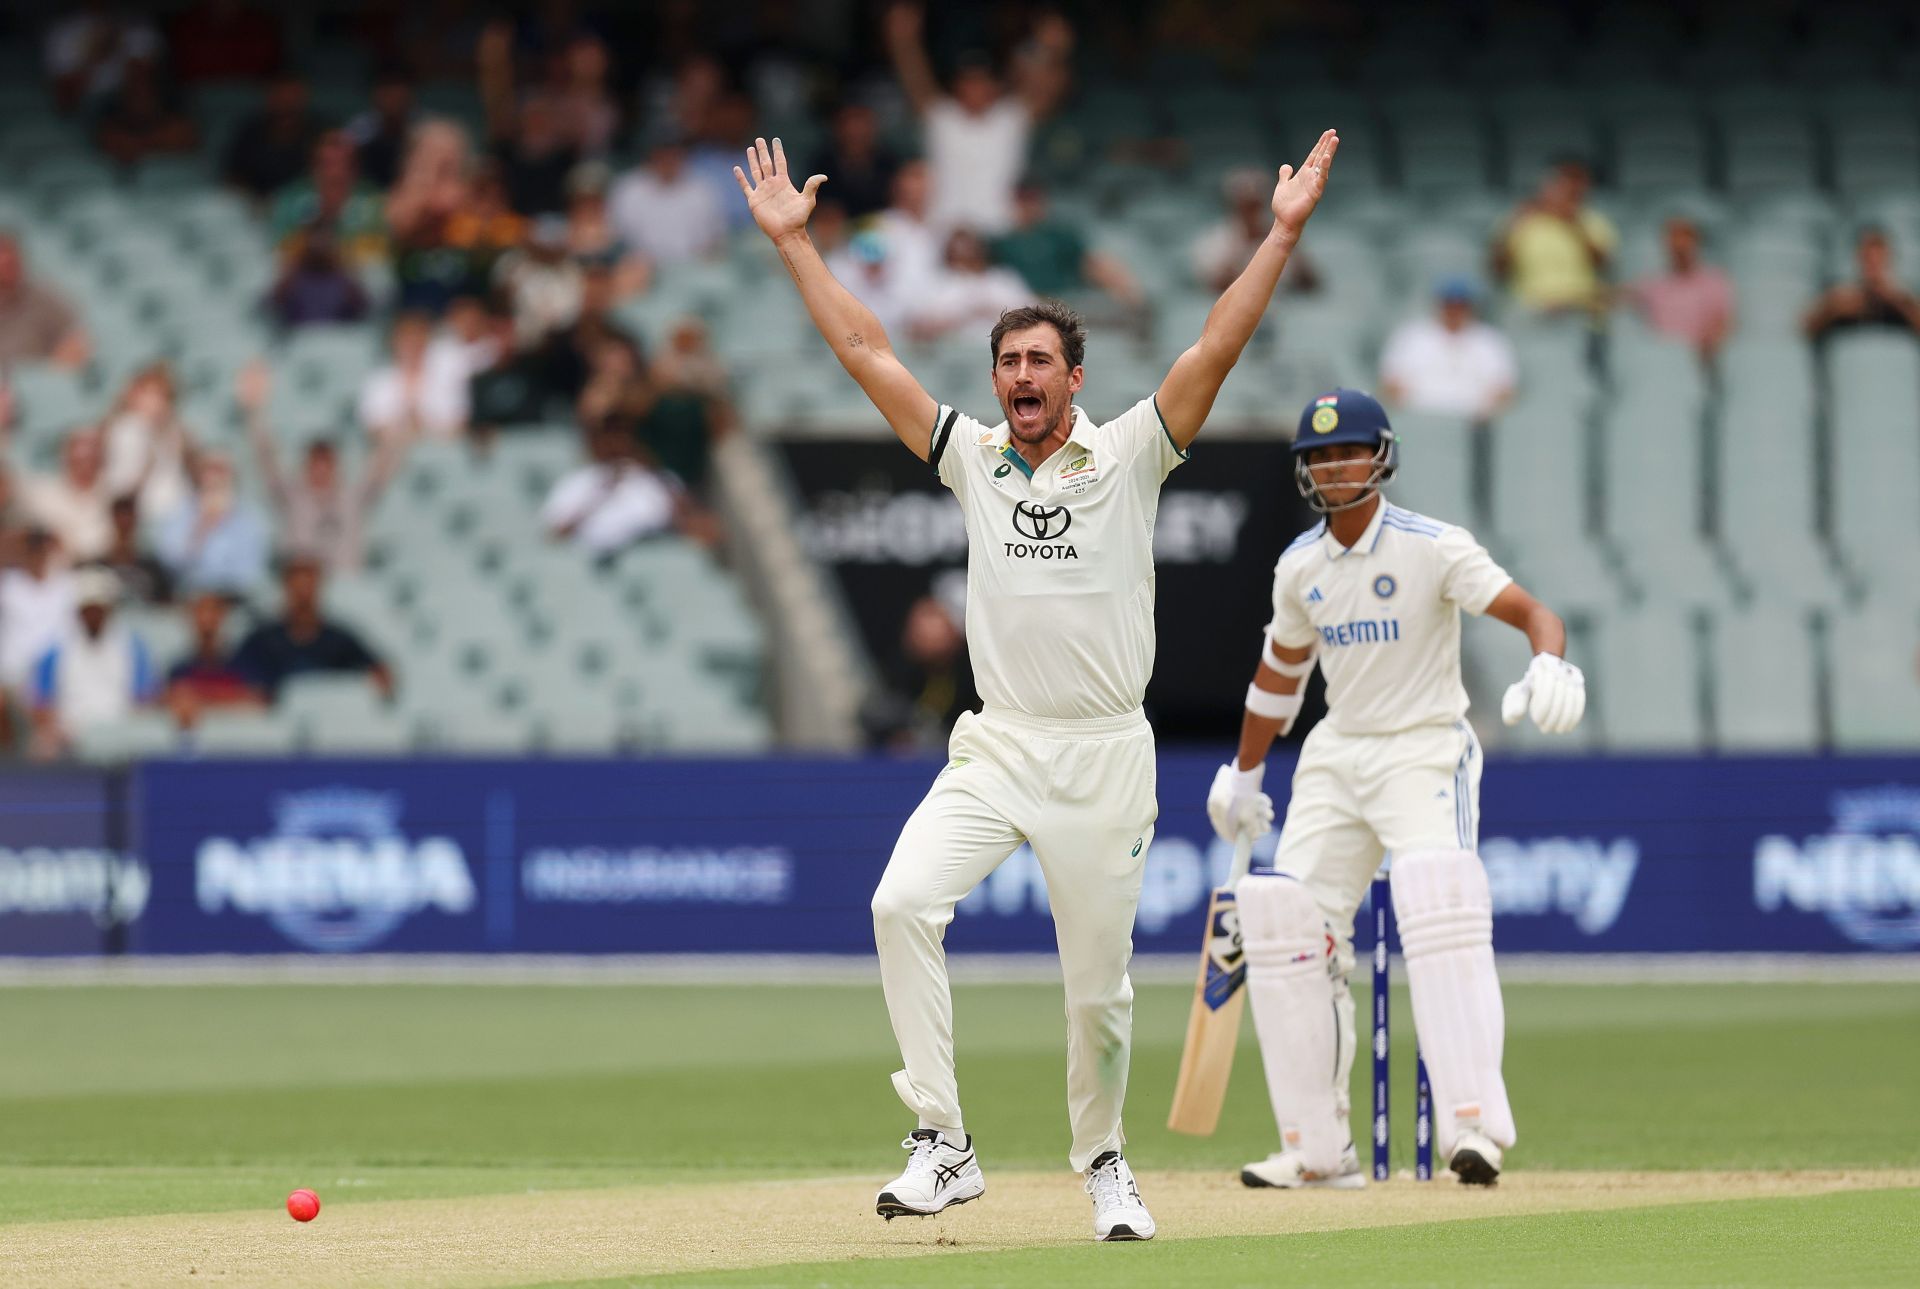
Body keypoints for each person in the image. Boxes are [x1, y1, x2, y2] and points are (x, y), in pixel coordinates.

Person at [735, 127, 1341, 1241]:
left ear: (1073, 378)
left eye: (1038, 363)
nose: (1019, 378)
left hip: (1106, 752)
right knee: (899, 901)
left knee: (1097, 996)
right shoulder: (969, 456)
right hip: (999, 743)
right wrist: (794, 246)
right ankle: (944, 1141)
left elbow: (1214, 344)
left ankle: (1104, 1161)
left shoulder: (1131, 455)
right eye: (1007, 363)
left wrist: (1281, 232)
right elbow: (868, 351)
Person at [1205, 388, 1584, 1193]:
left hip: (1425, 745)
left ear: (1380, 456)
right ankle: (1315, 1146)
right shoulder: (1300, 566)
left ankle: (1475, 1126)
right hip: (1339, 752)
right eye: (1319, 455)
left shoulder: (1432, 546)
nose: (1334, 465)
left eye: (1348, 450)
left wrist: (1549, 661)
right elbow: (1280, 674)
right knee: (1281, 919)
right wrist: (1243, 771)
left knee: (1435, 896)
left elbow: (1533, 613)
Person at [884, 3, 1072, 236]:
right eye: (968, 81)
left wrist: (1052, 51)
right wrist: (904, 40)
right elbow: (914, 79)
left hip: (1000, 230)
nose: (975, 88)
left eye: (982, 81)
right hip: (944, 231)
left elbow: (1045, 92)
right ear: (956, 85)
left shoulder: (1009, 118)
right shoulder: (942, 117)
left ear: (994, 86)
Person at [241, 362, 404, 573]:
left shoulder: (353, 498)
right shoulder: (292, 498)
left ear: (337, 468)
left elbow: (383, 466)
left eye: (326, 466)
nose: (321, 473)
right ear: (304, 467)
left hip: (347, 584)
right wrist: (255, 412)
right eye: (315, 466)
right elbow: (265, 460)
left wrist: (399, 413)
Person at [27, 567, 157, 759]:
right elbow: (41, 702)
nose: (93, 616)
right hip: (70, 734)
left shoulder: (133, 647)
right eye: (88, 610)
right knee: (41, 747)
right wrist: (56, 728)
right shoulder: (56, 649)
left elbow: (146, 698)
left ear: (109, 609)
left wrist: (125, 729)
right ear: (78, 611)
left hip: (122, 731)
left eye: (98, 610)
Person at [231, 556, 392, 702]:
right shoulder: (261, 640)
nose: (303, 595)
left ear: (319, 588)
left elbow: (380, 672)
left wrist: (379, 677)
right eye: (297, 587)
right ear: (285, 588)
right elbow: (232, 680)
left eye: (309, 586)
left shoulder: (340, 640)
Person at [991, 180, 1144, 314]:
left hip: (1063, 302)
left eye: (1032, 200)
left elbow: (1093, 264)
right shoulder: (1002, 243)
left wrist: (1127, 293)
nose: (1027, 207)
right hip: (1019, 305)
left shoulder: (1060, 236)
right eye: (1022, 201)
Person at [1379, 278, 1517, 422]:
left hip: (1473, 425)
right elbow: (1390, 386)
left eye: (1461, 305)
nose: (1454, 311)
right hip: (1419, 421)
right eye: (1449, 304)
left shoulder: (1492, 341)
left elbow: (1505, 391)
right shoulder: (1409, 337)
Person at [1492, 157, 1617, 315]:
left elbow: (1603, 266)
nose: (1565, 190)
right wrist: (1516, 226)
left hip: (1580, 307)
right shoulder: (1518, 218)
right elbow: (1498, 270)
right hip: (1529, 307)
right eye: (1560, 183)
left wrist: (1574, 224)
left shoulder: (1592, 221)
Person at [540, 419, 683, 557]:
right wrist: (602, 492)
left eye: (624, 436)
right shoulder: (577, 482)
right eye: (610, 437)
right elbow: (555, 536)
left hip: (649, 559)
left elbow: (683, 523)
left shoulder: (658, 478)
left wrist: (651, 471)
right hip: (587, 563)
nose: (617, 444)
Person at [153, 452, 270, 596]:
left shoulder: (249, 518)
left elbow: (251, 573)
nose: (215, 478)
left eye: (221, 470)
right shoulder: (180, 511)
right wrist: (201, 529)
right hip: (189, 595)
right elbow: (169, 561)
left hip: (232, 598)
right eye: (209, 470)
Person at [268, 130, 387, 269]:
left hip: (355, 275)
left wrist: (336, 254)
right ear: (313, 168)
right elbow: (278, 248)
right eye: (326, 164)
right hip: (300, 275)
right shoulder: (291, 199)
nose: (333, 174)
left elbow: (379, 253)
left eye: (342, 164)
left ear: (355, 169)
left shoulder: (372, 201)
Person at [1194, 168, 1322, 295]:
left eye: (1257, 205)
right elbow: (1214, 289)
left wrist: (1289, 246)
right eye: (1247, 206)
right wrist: (1242, 246)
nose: (1253, 213)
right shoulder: (1215, 239)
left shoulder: (1281, 233)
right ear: (1233, 206)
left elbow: (1310, 285)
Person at [609, 131, 724, 265]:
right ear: (652, 155)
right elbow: (618, 237)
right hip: (642, 267)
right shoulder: (628, 188)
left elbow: (715, 238)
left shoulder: (703, 189)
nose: (668, 159)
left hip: (692, 267)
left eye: (673, 153)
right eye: (662, 154)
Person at [1625, 217, 1736, 357]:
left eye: (1684, 243)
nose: (1679, 249)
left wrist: (1709, 344)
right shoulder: (1653, 284)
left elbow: (1724, 324)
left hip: (1698, 360)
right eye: (1674, 243)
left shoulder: (1714, 281)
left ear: (1696, 243)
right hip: (1660, 357)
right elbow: (1620, 297)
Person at [99, 362, 194, 522]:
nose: (157, 402)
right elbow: (123, 487)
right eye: (151, 393)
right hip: (147, 518)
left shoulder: (170, 431)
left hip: (175, 516)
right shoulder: (127, 428)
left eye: (164, 396)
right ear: (133, 395)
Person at [358, 311, 471, 442]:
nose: (412, 344)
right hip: (395, 446)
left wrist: (422, 425)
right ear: (394, 341)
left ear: (427, 341)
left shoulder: (449, 376)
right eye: (406, 338)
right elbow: (373, 426)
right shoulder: (380, 380)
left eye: (418, 337)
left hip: (440, 448)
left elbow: (459, 423)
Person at [906, 228, 1035, 341]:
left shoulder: (1003, 279)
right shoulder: (939, 282)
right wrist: (963, 316)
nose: (966, 252)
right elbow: (918, 328)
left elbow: (1032, 318)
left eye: (970, 246)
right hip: (952, 355)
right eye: (959, 247)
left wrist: (990, 311)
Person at [164, 591, 264, 728]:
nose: (206, 619)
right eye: (200, 611)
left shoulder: (244, 663)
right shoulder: (179, 668)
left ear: (223, 616)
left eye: (213, 611)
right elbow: (169, 698)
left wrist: (202, 696)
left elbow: (257, 702)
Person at [222, 73, 325, 203]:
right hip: (253, 206)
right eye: (280, 96)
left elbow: (330, 176)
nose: (286, 104)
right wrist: (254, 200)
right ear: (269, 98)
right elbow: (234, 176)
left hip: (307, 203)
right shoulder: (250, 131)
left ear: (304, 98)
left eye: (292, 97)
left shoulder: (320, 132)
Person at [1803, 227, 1920, 340]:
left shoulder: (1903, 298)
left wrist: (1899, 305)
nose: (1873, 265)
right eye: (1868, 258)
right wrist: (1832, 310)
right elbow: (1807, 329)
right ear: (1858, 258)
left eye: (1879, 259)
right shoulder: (1841, 296)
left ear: (1889, 259)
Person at [0, 529, 76, 700]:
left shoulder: (65, 584)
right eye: (32, 550)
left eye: (41, 550)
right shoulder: (7, 584)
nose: (37, 557)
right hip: (14, 673)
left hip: (56, 675)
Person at [0, 232, 91, 369]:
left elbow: (78, 346)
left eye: (11, 262)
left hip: (35, 379)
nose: (8, 270)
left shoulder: (44, 297)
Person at [91, 54, 198, 167]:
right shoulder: (111, 125)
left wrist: (145, 144)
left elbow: (184, 137)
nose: (139, 96)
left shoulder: (178, 123)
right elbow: (110, 141)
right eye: (133, 91)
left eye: (143, 89)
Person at [24, 429, 113, 563]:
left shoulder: (114, 495)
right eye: (79, 458)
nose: (85, 465)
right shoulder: (42, 494)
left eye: (91, 457)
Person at [806, 102, 900, 220]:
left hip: (882, 228)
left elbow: (895, 204)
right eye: (850, 127)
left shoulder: (887, 162)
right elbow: (819, 205)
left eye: (861, 127)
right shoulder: (824, 163)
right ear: (839, 129)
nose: (856, 133)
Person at [265, 227, 371, 328]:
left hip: (337, 339)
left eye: (325, 244)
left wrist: (346, 268)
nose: (320, 247)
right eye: (315, 243)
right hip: (301, 339)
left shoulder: (343, 281)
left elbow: (364, 309)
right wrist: (291, 268)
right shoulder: (294, 281)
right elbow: (270, 308)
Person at [93, 495, 174, 604]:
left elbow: (165, 599)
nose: (124, 522)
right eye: (119, 516)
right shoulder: (98, 560)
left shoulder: (151, 562)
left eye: (128, 517)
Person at [344, 68, 416, 189]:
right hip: (366, 191)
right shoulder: (359, 128)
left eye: (398, 94)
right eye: (388, 94)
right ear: (375, 96)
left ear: (409, 96)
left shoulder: (424, 129)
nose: (393, 100)